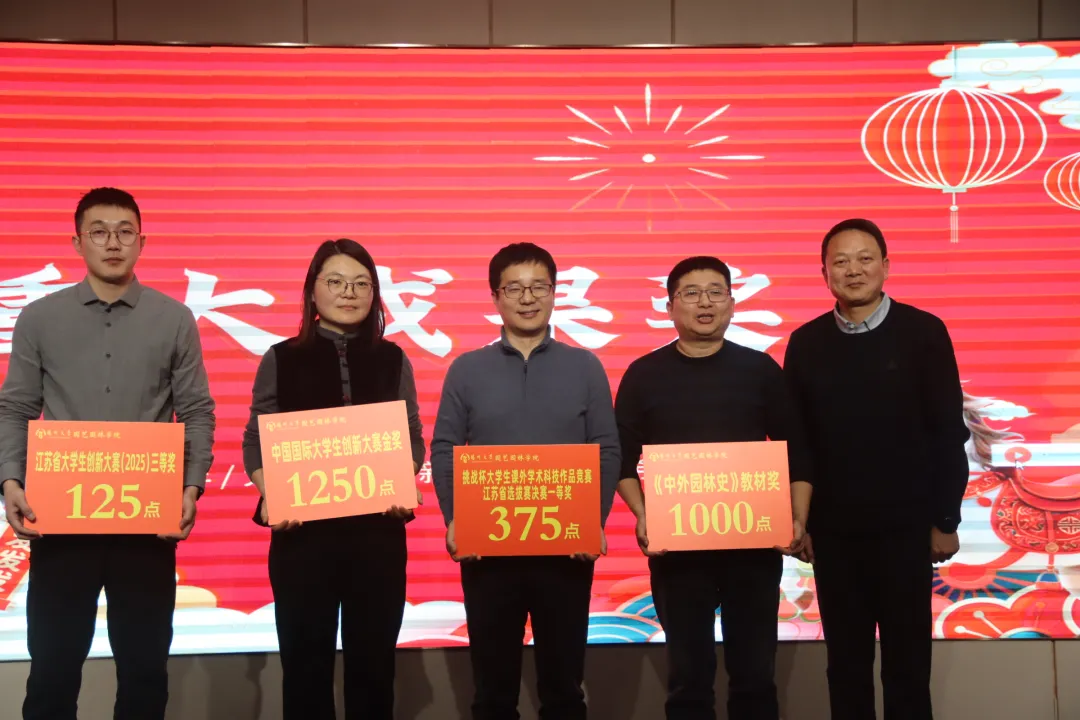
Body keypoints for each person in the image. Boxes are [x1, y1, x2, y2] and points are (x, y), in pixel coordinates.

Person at [0, 187, 216, 720]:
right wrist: (10, 480)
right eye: (98, 232)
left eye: (124, 232)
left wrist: (190, 487)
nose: (112, 243)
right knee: (52, 671)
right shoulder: (39, 318)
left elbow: (197, 410)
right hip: (61, 517)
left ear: (143, 241)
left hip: (146, 520)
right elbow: (16, 407)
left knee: (144, 671)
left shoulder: (174, 319)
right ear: (77, 242)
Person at [783, 218, 968, 720]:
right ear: (824, 273)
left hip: (908, 531)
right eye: (840, 261)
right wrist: (800, 520)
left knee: (907, 665)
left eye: (865, 259)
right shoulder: (805, 343)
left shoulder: (924, 332)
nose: (853, 270)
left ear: (886, 266)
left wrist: (945, 519)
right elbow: (797, 442)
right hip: (833, 536)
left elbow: (947, 432)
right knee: (845, 665)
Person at [614, 256, 812, 720]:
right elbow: (619, 461)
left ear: (731, 303)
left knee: (755, 677)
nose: (704, 303)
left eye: (715, 292)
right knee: (688, 680)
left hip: (753, 547)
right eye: (691, 293)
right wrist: (644, 515)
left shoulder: (760, 370)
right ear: (669, 306)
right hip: (677, 550)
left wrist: (798, 517)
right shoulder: (644, 374)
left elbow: (797, 453)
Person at [430, 242, 621, 720]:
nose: (528, 298)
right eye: (514, 288)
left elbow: (606, 448)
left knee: (563, 690)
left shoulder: (585, 366)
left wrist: (591, 522)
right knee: (493, 692)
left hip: (565, 550)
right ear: (495, 297)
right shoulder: (466, 369)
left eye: (539, 287)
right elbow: (445, 450)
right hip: (488, 550)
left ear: (555, 293)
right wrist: (457, 520)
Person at [242, 239, 425, 720]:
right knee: (305, 673)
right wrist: (271, 491)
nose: (349, 292)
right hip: (303, 540)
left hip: (377, 538)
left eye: (362, 283)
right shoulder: (281, 357)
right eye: (337, 282)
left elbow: (412, 436)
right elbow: (256, 440)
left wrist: (401, 480)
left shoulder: (393, 358)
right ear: (312, 290)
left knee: (374, 672)